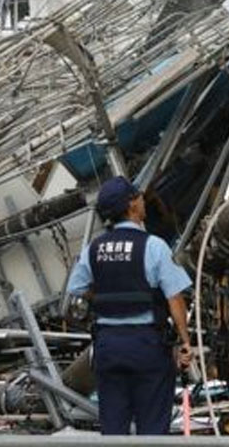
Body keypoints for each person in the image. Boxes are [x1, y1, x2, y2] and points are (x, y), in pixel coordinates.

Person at [67, 176, 193, 435]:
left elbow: (76, 288)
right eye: (137, 196)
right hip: (147, 345)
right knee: (153, 426)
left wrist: (106, 294)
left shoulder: (94, 248)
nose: (142, 200)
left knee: (113, 427)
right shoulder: (154, 246)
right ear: (131, 206)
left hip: (108, 347)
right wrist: (185, 342)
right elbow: (174, 298)